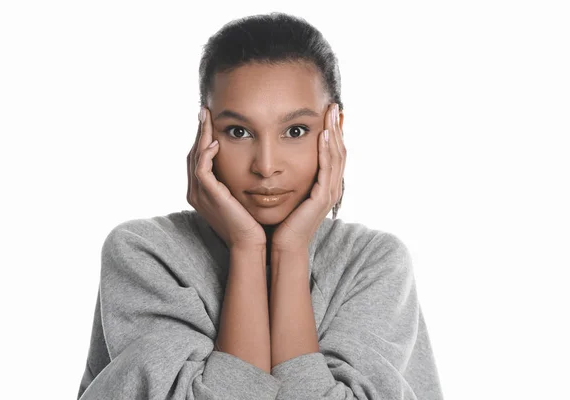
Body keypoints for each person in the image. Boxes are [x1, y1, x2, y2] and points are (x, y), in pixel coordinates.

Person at [77, 12, 444, 400]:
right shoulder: (145, 253)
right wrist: (247, 248)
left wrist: (290, 251)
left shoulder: (373, 264)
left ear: (335, 129)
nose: (266, 165)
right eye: (239, 132)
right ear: (205, 133)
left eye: (295, 131)